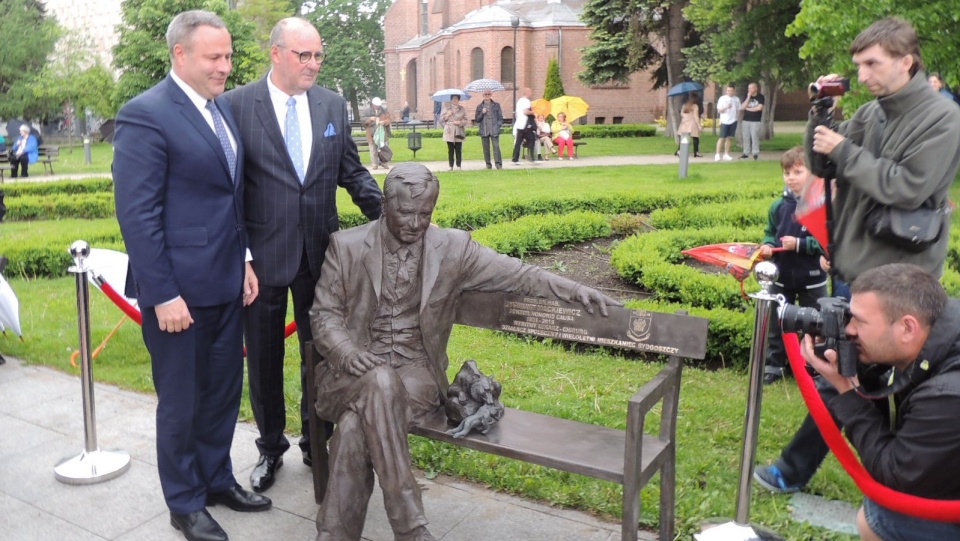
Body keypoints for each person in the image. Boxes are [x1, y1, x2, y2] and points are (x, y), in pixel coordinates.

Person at [308, 162, 620, 541]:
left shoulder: (454, 249)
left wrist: (572, 290)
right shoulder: (347, 246)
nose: (414, 223)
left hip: (416, 376)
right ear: (385, 205)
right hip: (351, 374)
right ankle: (411, 529)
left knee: (360, 421)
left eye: (425, 214)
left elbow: (520, 274)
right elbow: (324, 316)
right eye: (405, 213)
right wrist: (344, 351)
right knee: (374, 391)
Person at [755, 16, 960, 495]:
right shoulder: (872, 113)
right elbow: (825, 166)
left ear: (906, 61)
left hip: (899, 275)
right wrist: (819, 115)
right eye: (858, 65)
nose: (863, 74)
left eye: (872, 63)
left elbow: (907, 187)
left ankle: (799, 468)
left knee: (850, 366)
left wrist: (844, 149)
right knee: (850, 364)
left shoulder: (944, 119)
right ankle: (894, 460)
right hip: (854, 264)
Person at [112, 11, 270, 541]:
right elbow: (139, 216)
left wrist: (244, 258)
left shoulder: (217, 110)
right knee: (182, 401)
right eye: (214, 57)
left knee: (223, 392)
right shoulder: (145, 114)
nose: (226, 67)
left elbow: (228, 198)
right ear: (181, 55)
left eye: (227, 56)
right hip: (177, 295)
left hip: (226, 281)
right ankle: (184, 502)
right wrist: (163, 294)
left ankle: (216, 478)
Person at [223, 17, 383, 495]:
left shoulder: (332, 104)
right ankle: (271, 448)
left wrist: (391, 213)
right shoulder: (235, 107)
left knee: (324, 358)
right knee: (265, 361)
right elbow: (227, 193)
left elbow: (351, 173)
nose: (313, 64)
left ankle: (319, 442)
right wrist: (241, 256)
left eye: (318, 55)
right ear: (276, 54)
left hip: (321, 260)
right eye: (303, 55)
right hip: (262, 263)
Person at [800, 264, 960, 540]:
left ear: (907, 327)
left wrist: (845, 390)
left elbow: (894, 472)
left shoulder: (947, 397)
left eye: (859, 322)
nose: (849, 329)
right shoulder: (940, 326)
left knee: (881, 515)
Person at [757, 147, 827, 385]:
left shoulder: (821, 205)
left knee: (814, 323)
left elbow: (826, 242)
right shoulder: (778, 207)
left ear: (812, 173)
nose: (791, 177)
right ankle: (775, 365)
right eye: (787, 173)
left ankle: (814, 366)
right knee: (778, 323)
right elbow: (770, 234)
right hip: (782, 276)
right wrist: (767, 246)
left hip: (812, 278)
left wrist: (799, 244)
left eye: (798, 171)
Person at [475, 91, 503, 169]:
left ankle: (498, 165)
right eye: (485, 94)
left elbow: (500, 117)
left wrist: (498, 126)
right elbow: (477, 119)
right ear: (483, 95)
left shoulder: (496, 105)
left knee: (496, 147)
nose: (487, 95)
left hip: (494, 129)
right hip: (484, 130)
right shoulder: (479, 106)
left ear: (491, 95)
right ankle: (488, 164)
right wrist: (482, 113)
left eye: (488, 94)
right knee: (486, 148)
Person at [441, 94, 468, 171]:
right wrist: (447, 115)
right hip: (449, 130)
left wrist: (460, 122)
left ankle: (458, 165)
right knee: (450, 149)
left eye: (456, 99)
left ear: (458, 100)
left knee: (458, 148)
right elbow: (441, 119)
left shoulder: (462, 109)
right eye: (453, 99)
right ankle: (450, 165)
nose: (455, 100)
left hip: (459, 130)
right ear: (451, 100)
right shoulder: (447, 108)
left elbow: (466, 120)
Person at [510, 87, 536, 165]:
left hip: (519, 124)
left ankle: (515, 159)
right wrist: (533, 111)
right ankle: (532, 157)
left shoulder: (519, 101)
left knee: (518, 142)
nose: (531, 93)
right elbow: (525, 111)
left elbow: (518, 113)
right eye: (530, 92)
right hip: (525, 124)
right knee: (532, 139)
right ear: (527, 92)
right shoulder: (526, 101)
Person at [714, 84, 740, 161]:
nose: (730, 92)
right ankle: (717, 154)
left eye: (731, 91)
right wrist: (726, 107)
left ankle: (726, 154)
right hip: (725, 121)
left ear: (734, 91)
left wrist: (736, 117)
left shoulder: (736, 99)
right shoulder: (722, 99)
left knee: (730, 138)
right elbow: (719, 110)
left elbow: (738, 109)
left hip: (733, 120)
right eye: (728, 90)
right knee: (722, 138)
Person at [739, 82, 764, 160]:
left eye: (751, 88)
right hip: (746, 120)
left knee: (754, 137)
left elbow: (759, 108)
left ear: (756, 88)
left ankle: (755, 153)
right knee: (745, 137)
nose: (749, 90)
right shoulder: (746, 96)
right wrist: (748, 97)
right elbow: (742, 107)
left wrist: (749, 109)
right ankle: (746, 153)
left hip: (755, 121)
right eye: (748, 88)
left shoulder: (760, 97)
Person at [364, 97, 390, 169]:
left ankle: (385, 163)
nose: (377, 107)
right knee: (373, 150)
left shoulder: (384, 111)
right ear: (373, 104)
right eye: (376, 105)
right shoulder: (367, 111)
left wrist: (384, 122)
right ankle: (374, 164)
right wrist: (370, 119)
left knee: (384, 149)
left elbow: (389, 120)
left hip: (382, 134)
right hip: (371, 134)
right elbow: (363, 122)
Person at [676, 92, 703, 157]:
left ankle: (679, 151)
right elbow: (696, 116)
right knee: (695, 138)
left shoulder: (684, 105)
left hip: (684, 123)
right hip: (692, 123)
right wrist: (699, 125)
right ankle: (696, 152)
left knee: (683, 138)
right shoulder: (695, 106)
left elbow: (681, 114)